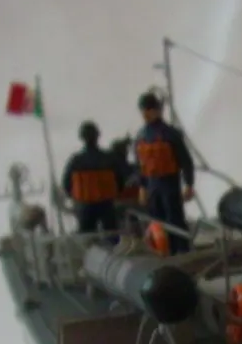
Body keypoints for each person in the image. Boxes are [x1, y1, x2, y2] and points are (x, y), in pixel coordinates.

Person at [134, 91, 195, 251]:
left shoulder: (171, 134)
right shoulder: (141, 136)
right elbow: (140, 165)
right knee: (156, 223)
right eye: (143, 110)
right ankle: (163, 252)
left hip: (169, 183)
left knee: (175, 220)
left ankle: (182, 252)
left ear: (157, 110)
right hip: (152, 185)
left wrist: (189, 184)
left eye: (149, 109)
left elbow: (186, 161)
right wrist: (142, 187)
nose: (145, 114)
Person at [59, 121, 121, 234]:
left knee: (87, 238)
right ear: (98, 136)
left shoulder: (75, 161)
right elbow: (120, 180)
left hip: (85, 206)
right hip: (106, 205)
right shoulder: (109, 158)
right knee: (112, 235)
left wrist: (75, 198)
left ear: (82, 138)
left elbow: (66, 184)